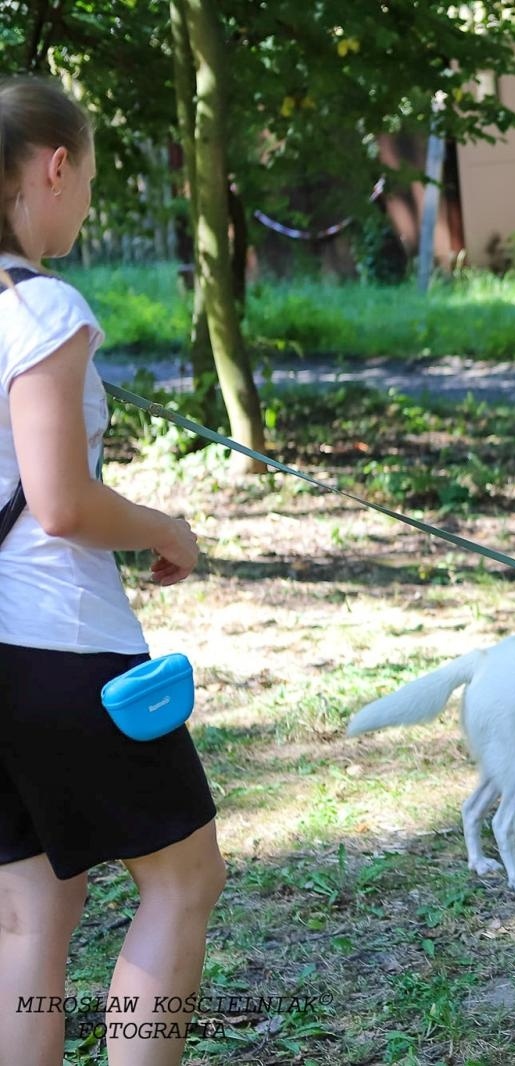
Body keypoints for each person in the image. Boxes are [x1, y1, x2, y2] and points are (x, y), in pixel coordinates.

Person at [0, 77, 226, 1066]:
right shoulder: (42, 307)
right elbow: (62, 503)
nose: (86, 203)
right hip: (61, 642)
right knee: (183, 879)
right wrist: (165, 527)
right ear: (56, 167)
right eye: (88, 180)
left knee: (29, 908)